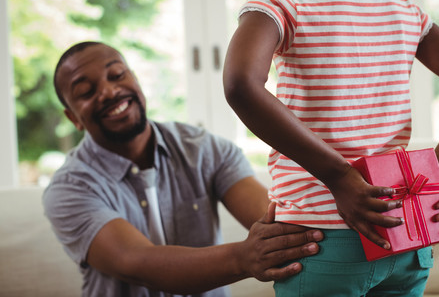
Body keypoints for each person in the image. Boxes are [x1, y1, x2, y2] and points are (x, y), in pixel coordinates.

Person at [223, 0, 439, 296]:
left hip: (320, 239)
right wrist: (428, 178)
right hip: (403, 236)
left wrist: (339, 177)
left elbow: (240, 83)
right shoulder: (397, 1)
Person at [43, 41, 324, 297]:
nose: (108, 91)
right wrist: (245, 257)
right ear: (73, 118)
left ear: (135, 79)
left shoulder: (204, 149)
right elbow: (137, 263)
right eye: (86, 91)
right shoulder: (69, 188)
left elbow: (278, 222)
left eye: (117, 75)